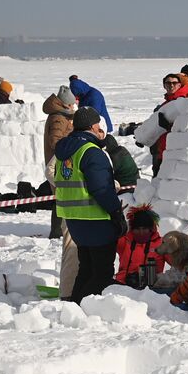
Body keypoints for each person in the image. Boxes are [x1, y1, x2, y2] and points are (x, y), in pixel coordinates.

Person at [53, 106, 127, 303]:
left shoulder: (64, 153)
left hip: (74, 220)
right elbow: (101, 189)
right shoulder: (91, 152)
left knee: (86, 269)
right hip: (97, 220)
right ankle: (85, 308)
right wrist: (116, 213)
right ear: (94, 126)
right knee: (101, 274)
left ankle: (75, 305)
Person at [41, 85, 77, 239]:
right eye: (71, 104)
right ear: (65, 104)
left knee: (62, 197)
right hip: (59, 163)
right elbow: (55, 141)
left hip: (61, 162)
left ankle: (61, 228)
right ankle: (57, 231)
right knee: (61, 197)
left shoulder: (62, 115)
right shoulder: (59, 118)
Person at [149, 73, 188, 176]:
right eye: (168, 83)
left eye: (174, 83)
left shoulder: (184, 104)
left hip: (175, 154)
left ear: (179, 85)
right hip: (160, 153)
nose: (171, 85)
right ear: (164, 86)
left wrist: (169, 126)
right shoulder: (164, 105)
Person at [114, 205, 165, 288]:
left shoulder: (161, 244)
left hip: (150, 290)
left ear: (151, 229)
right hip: (122, 285)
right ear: (132, 229)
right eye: (137, 229)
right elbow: (107, 238)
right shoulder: (125, 241)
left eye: (144, 228)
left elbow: (178, 260)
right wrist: (117, 220)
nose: (141, 232)